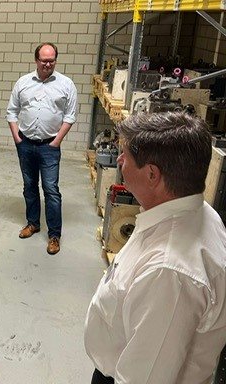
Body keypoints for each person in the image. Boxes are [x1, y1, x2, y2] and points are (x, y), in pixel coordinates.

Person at [84, 112, 226, 383]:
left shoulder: (169, 272)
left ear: (152, 174)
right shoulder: (197, 211)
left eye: (125, 155)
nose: (119, 160)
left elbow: (145, 377)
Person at [6, 42, 77, 255]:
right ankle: (33, 223)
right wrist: (17, 138)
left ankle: (54, 235)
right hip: (26, 144)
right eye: (44, 60)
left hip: (49, 146)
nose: (48, 64)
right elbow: (12, 111)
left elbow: (70, 116)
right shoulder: (23, 82)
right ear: (36, 60)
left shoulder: (66, 84)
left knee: (51, 190)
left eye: (51, 60)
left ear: (55, 60)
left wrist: (57, 141)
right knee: (29, 186)